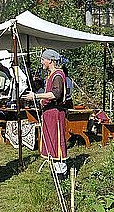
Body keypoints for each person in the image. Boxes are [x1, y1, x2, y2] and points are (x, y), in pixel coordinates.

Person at [23, 48, 68, 180]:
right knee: (51, 141)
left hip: (55, 113)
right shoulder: (51, 75)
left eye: (43, 59)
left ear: (50, 60)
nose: (42, 62)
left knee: (57, 140)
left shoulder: (58, 75)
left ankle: (61, 173)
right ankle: (55, 169)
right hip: (49, 113)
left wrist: (36, 96)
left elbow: (56, 94)